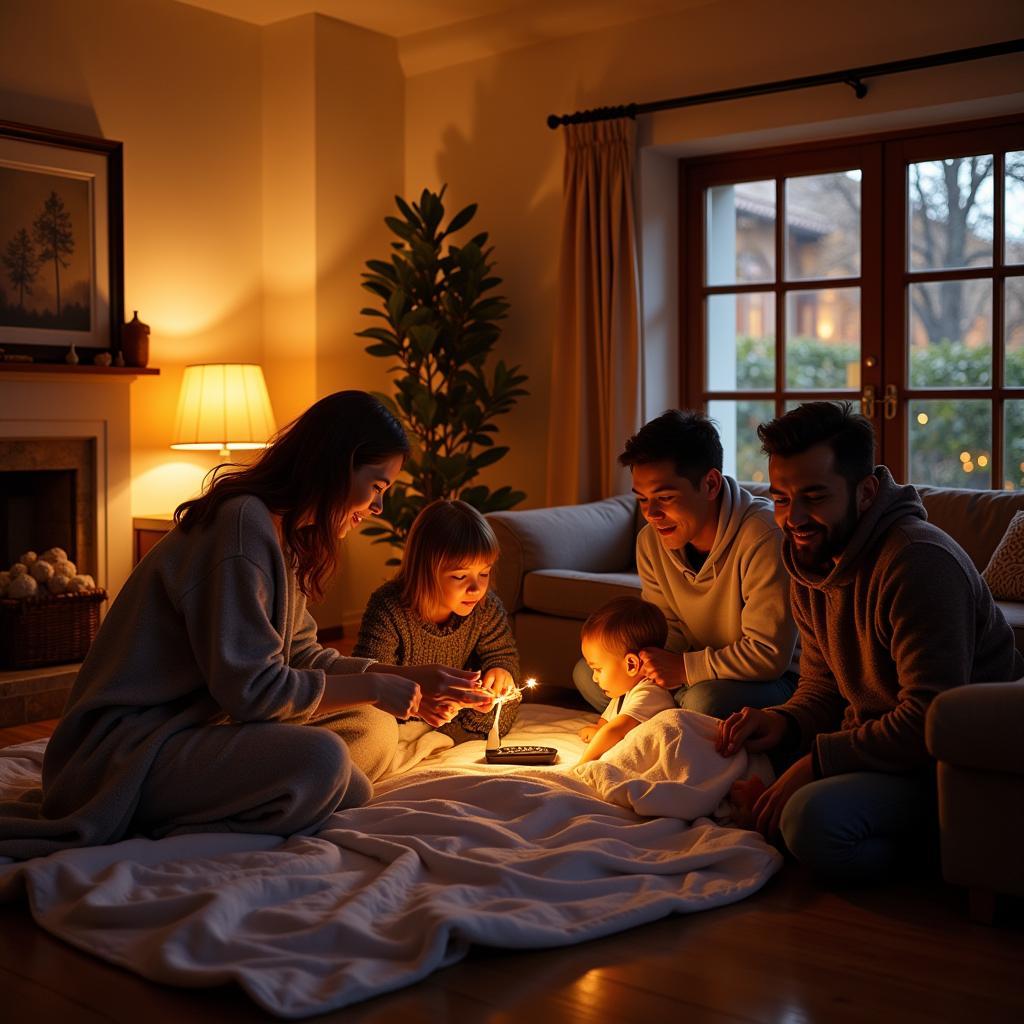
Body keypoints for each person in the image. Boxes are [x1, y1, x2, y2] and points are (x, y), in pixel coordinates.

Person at [0, 391, 492, 861]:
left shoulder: (288, 534)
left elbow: (303, 656)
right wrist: (375, 684)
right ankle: (216, 814)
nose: (377, 508)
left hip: (196, 728)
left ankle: (291, 791)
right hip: (123, 752)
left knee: (373, 727)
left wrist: (405, 678)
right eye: (377, 486)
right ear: (337, 466)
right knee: (321, 759)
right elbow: (254, 692)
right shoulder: (241, 528)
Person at [718, 401, 1024, 880]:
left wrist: (815, 763)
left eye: (814, 497)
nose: (793, 517)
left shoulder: (917, 563)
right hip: (870, 746)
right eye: (780, 499)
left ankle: (940, 852)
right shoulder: (810, 555)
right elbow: (822, 687)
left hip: (947, 763)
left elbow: (930, 719)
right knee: (709, 745)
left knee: (810, 823)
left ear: (865, 492)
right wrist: (782, 722)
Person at [574, 410, 797, 719]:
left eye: (665, 498)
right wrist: (647, 665)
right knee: (590, 675)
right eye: (642, 499)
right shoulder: (651, 541)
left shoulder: (763, 535)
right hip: (694, 669)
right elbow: (666, 633)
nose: (651, 513)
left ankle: (661, 722)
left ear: (710, 484)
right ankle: (665, 723)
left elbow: (768, 655)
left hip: (772, 679)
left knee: (702, 703)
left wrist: (683, 668)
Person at [354, 499, 522, 744]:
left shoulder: (486, 607)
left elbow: (503, 654)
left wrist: (501, 671)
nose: (476, 588)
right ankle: (444, 735)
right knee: (372, 721)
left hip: (462, 708)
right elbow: (369, 675)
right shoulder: (389, 608)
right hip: (406, 708)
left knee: (509, 700)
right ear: (426, 571)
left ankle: (447, 736)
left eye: (484, 573)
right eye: (460, 576)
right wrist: (418, 704)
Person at [576, 596, 678, 764]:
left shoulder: (650, 692)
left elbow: (614, 730)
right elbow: (606, 723)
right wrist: (598, 730)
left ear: (631, 664)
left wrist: (582, 763)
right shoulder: (625, 692)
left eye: (598, 669)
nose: (594, 678)